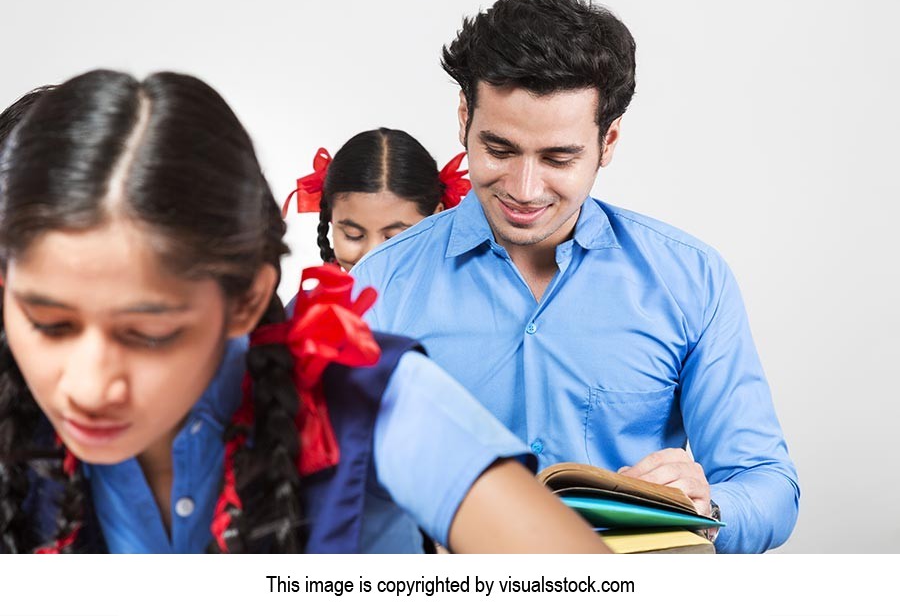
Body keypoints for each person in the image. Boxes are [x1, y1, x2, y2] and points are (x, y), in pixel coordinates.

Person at [0, 69, 608, 554]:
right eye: (48, 325)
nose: (86, 386)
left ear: (245, 299)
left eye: (149, 332)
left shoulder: (365, 391)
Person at [351, 0, 800, 553]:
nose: (524, 188)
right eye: (500, 150)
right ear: (464, 117)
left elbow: (769, 484)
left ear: (607, 141)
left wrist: (706, 509)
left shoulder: (692, 280)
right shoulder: (378, 286)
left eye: (559, 158)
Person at [282, 128, 470, 271]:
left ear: (436, 217)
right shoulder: (306, 315)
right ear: (331, 216)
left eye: (394, 238)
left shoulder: (467, 310)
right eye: (353, 234)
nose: (372, 256)